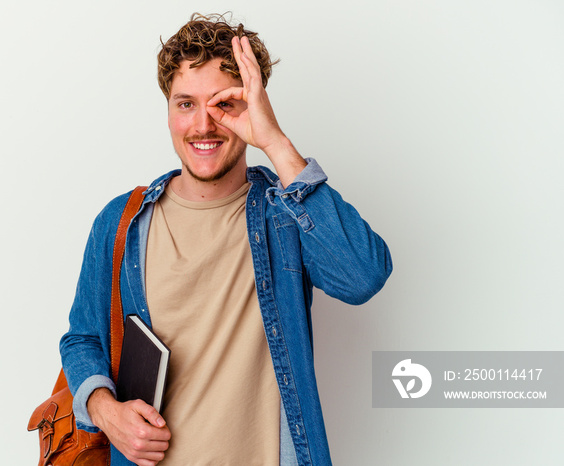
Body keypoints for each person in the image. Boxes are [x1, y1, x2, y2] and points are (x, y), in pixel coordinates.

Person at [60, 13, 392, 466]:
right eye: (185, 104)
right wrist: (104, 409)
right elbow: (82, 339)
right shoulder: (122, 221)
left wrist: (274, 141)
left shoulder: (283, 215)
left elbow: (363, 275)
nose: (203, 125)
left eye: (223, 104)